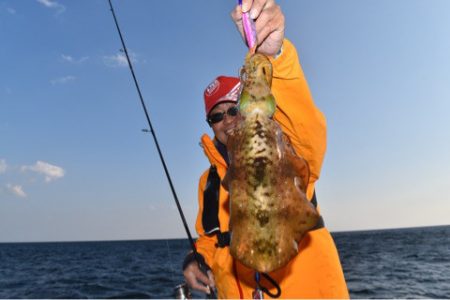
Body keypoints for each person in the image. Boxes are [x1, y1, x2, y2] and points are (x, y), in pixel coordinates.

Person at [183, 0, 349, 298]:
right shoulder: (208, 182)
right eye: (216, 117)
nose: (226, 121)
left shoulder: (285, 147)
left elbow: (308, 129)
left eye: (234, 109)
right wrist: (197, 258)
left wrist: (273, 54)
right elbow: (212, 237)